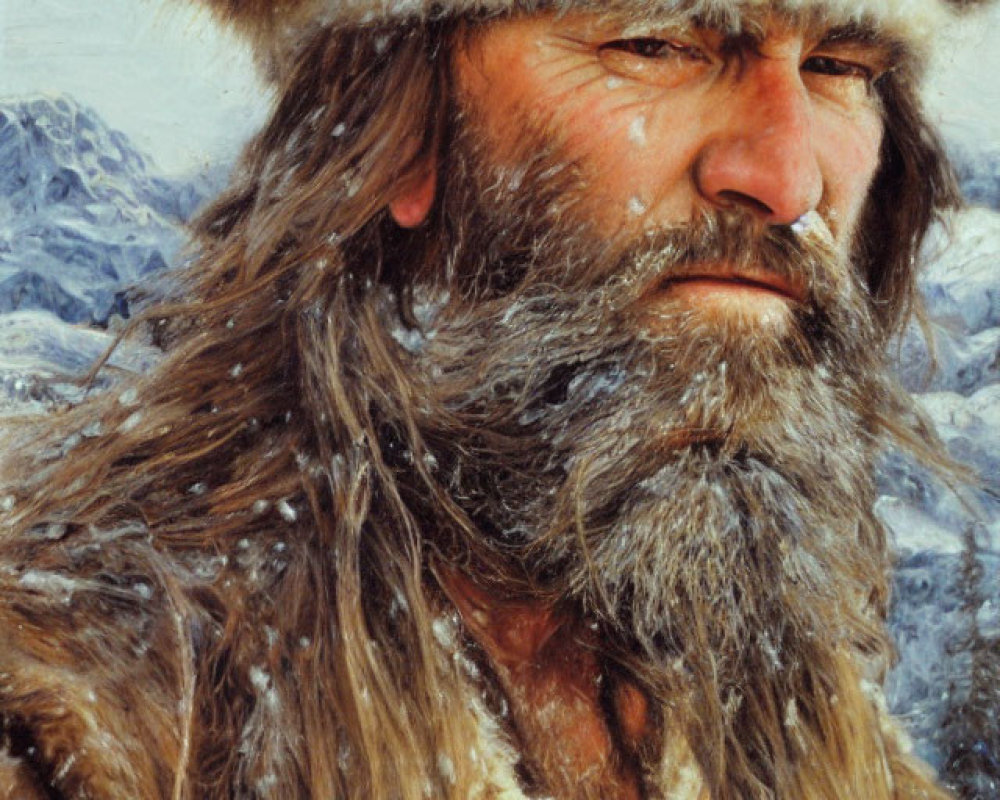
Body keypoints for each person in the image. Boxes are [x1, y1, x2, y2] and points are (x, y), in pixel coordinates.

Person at [0, 0, 979, 796]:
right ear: (395, 132)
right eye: (657, 42)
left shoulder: (805, 724)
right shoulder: (82, 715)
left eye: (842, 66)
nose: (789, 176)